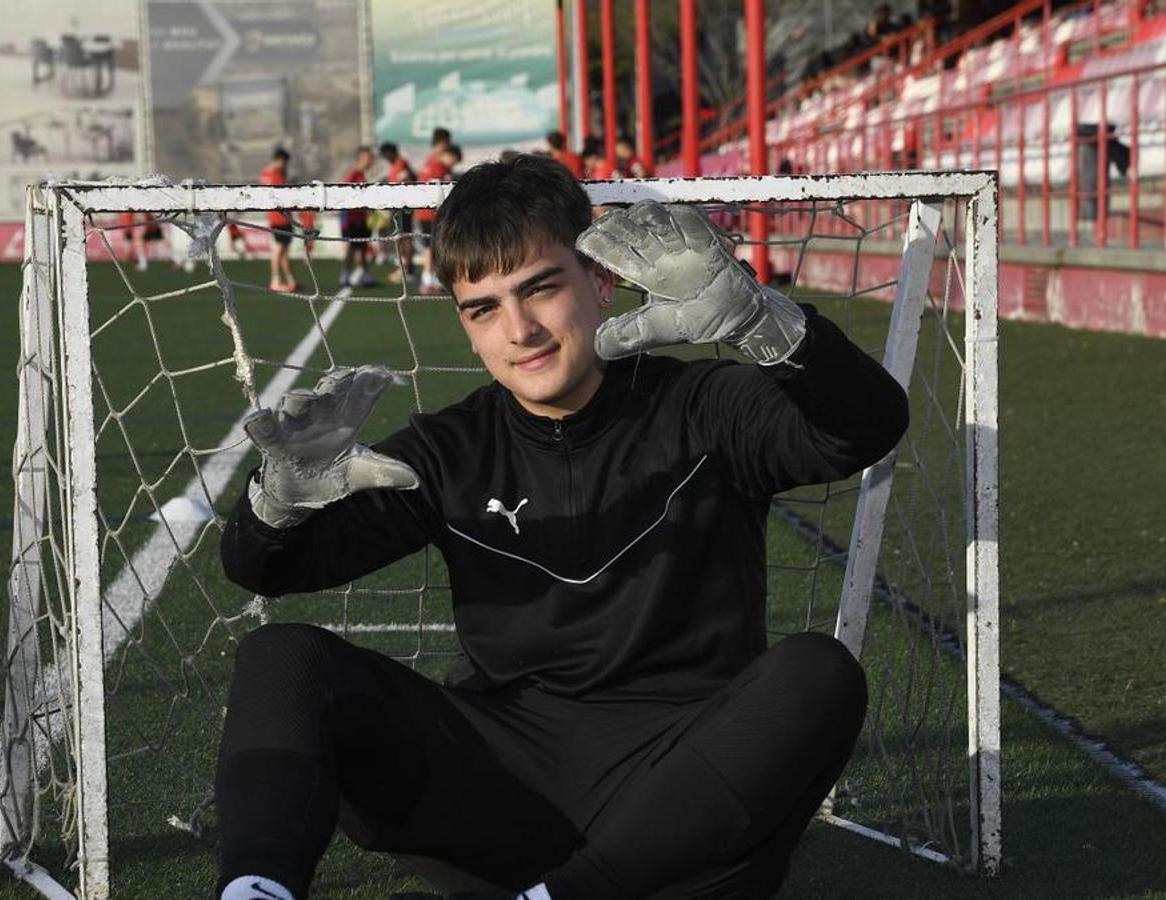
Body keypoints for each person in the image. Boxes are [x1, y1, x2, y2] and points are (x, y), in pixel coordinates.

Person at [214, 154, 907, 900]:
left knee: (820, 673)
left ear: (600, 281)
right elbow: (269, 571)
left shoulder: (706, 406)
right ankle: (256, 892)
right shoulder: (450, 451)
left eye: (541, 287)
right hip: (504, 795)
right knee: (283, 656)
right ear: (467, 327)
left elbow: (863, 429)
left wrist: (763, 322)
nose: (520, 329)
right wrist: (278, 502)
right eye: (485, 308)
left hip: (680, 805)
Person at [413, 142, 462, 294]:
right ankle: (427, 281)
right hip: (430, 215)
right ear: (449, 155)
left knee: (434, 248)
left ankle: (432, 280)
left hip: (426, 213)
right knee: (431, 248)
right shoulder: (438, 168)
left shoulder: (431, 163)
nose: (453, 165)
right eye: (454, 160)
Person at [260, 147, 299, 292]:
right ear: (279, 160)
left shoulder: (274, 174)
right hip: (278, 219)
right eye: (284, 162)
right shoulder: (272, 175)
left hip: (285, 218)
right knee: (278, 251)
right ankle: (275, 281)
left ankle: (290, 280)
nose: (285, 166)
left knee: (284, 251)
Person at [339, 145, 378, 288]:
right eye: (369, 157)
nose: (371, 160)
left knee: (362, 247)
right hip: (350, 218)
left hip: (362, 217)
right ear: (361, 158)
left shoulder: (363, 175)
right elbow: (344, 192)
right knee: (350, 247)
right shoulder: (353, 174)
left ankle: (365, 274)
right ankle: (345, 275)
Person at [378, 142, 417, 285]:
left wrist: (401, 198)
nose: (385, 157)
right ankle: (405, 268)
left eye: (386, 154)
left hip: (403, 207)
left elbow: (407, 181)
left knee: (405, 237)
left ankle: (408, 269)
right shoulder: (395, 165)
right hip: (398, 208)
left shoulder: (400, 164)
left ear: (392, 152)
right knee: (401, 237)